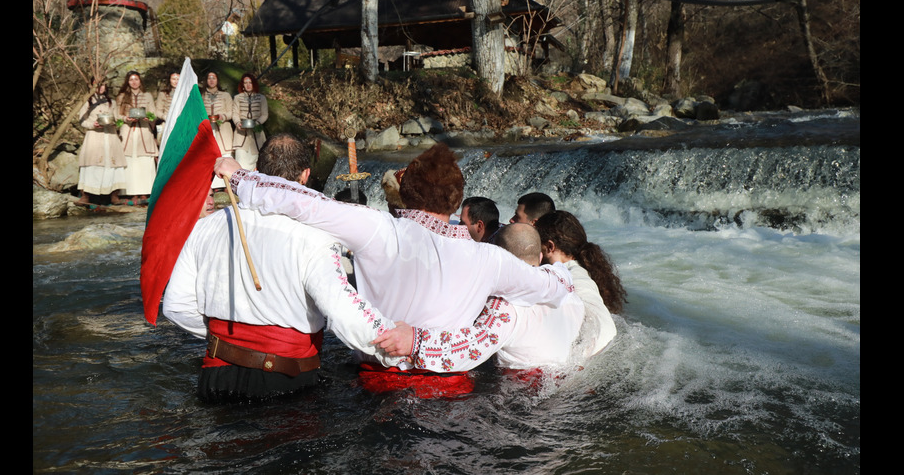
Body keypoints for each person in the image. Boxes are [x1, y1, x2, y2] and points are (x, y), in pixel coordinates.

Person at [214, 143, 575, 396]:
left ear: (407, 193)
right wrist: (562, 270)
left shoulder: (378, 229)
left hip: (374, 389)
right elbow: (552, 290)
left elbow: (304, 202)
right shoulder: (489, 259)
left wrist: (240, 177)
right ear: (455, 201)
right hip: (451, 396)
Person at [163, 134, 404, 402]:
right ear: (305, 176)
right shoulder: (315, 237)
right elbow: (343, 312)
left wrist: (231, 340)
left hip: (216, 379)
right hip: (284, 384)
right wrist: (397, 345)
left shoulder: (205, 227)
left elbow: (177, 307)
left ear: (256, 172)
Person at [375, 223, 591, 372]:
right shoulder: (568, 290)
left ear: (499, 258)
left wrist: (414, 341)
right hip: (564, 385)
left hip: (524, 398)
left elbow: (469, 347)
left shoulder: (505, 307)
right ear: (541, 255)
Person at [535, 210, 626, 354]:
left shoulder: (564, 277)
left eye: (536, 244)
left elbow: (597, 329)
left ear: (550, 247)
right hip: (609, 344)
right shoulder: (582, 271)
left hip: (594, 350)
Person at [76, 80, 125, 206]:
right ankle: (86, 195)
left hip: (111, 136)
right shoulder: (87, 101)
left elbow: (117, 118)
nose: (100, 87)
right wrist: (92, 124)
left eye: (102, 84)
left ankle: (114, 195)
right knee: (92, 164)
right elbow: (81, 120)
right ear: (91, 85)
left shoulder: (112, 102)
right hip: (94, 136)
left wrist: (117, 122)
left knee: (113, 164)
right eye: (97, 84)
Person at [117, 70, 157, 205]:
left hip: (144, 131)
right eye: (131, 80)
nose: (134, 82)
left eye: (136, 79)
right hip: (128, 131)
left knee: (145, 161)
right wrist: (125, 118)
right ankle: (130, 193)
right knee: (130, 162)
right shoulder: (122, 96)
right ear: (127, 82)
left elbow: (154, 113)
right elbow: (117, 115)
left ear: (140, 81)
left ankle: (145, 192)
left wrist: (148, 117)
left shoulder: (148, 96)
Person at [231, 73, 269, 171]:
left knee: (258, 161)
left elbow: (264, 114)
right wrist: (238, 123)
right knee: (240, 160)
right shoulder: (237, 98)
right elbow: (235, 113)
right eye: (245, 83)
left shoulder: (261, 98)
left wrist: (257, 123)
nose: (248, 85)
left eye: (250, 83)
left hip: (257, 134)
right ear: (242, 85)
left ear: (254, 84)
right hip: (241, 134)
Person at [202, 71, 235, 158]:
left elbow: (231, 112)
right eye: (209, 78)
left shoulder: (225, 95)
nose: (211, 80)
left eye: (214, 78)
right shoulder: (201, 96)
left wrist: (223, 116)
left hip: (223, 129)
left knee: (225, 157)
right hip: (207, 128)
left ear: (217, 80)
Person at [153, 70, 179, 143]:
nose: (176, 81)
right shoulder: (163, 93)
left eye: (178, 79)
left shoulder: (187, 93)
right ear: (169, 80)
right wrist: (165, 117)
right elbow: (158, 110)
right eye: (173, 79)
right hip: (167, 123)